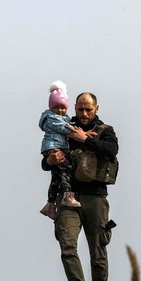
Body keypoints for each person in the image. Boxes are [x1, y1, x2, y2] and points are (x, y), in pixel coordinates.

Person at [42, 92, 118, 281]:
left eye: (88, 109)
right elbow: (47, 157)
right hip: (68, 195)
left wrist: (86, 139)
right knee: (67, 243)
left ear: (96, 109)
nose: (84, 114)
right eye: (80, 109)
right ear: (74, 108)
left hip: (96, 198)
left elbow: (112, 151)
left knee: (98, 248)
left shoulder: (105, 131)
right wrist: (49, 160)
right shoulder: (64, 126)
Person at [39, 81, 80, 220]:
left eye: (63, 107)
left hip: (54, 146)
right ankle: (68, 195)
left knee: (56, 177)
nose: (60, 110)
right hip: (53, 147)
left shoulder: (62, 117)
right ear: (51, 107)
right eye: (57, 107)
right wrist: (80, 134)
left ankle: (50, 205)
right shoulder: (52, 118)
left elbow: (67, 124)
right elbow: (63, 128)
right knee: (66, 169)